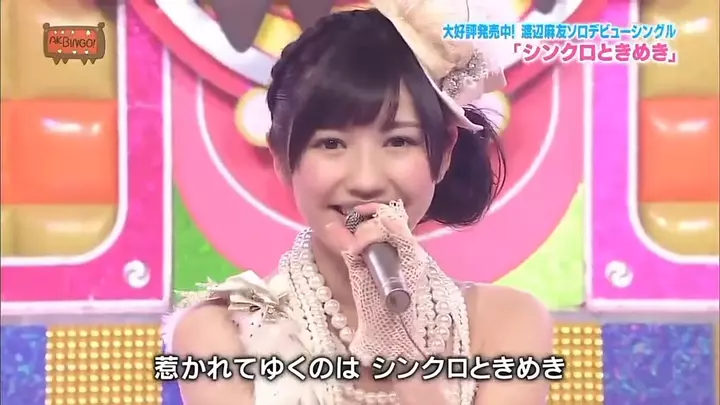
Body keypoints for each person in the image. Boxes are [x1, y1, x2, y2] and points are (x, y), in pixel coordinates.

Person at [163, 0, 554, 404]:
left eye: (398, 141)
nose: (366, 180)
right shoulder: (221, 333)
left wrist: (401, 348)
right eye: (332, 144)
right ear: (282, 159)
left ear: (444, 152)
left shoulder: (507, 324)